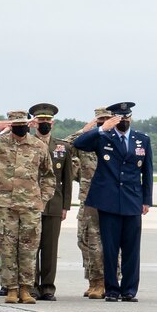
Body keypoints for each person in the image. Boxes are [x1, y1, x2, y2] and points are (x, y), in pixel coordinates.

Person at [72, 102, 153, 302]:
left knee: (132, 249)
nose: (123, 121)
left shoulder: (141, 140)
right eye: (119, 117)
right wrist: (100, 128)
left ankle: (129, 290)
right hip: (107, 201)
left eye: (126, 117)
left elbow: (147, 172)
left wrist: (147, 200)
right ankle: (112, 289)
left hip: (132, 200)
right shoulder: (103, 137)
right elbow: (78, 143)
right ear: (112, 119)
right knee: (109, 248)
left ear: (131, 118)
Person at [0, 109, 57, 303]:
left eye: (22, 124)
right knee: (7, 248)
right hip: (4, 205)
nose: (20, 127)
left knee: (29, 248)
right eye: (15, 124)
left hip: (30, 206)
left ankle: (26, 289)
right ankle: (11, 288)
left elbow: (49, 176)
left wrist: (42, 199)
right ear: (10, 125)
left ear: (28, 124)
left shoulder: (38, 146)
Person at [28, 104, 75, 301]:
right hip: (29, 203)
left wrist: (65, 206)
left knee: (50, 247)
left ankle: (47, 287)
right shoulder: (27, 143)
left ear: (52, 123)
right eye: (40, 121)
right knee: (30, 247)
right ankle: (30, 286)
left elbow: (67, 178)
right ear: (34, 123)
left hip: (54, 204)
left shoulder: (62, 147)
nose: (44, 124)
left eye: (47, 121)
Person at [70, 109, 110, 298]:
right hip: (87, 200)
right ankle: (92, 280)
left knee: (104, 244)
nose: (103, 123)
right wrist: (84, 131)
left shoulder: (115, 142)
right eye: (99, 120)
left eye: (106, 120)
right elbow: (61, 147)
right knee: (84, 241)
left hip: (109, 200)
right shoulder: (87, 142)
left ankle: (105, 282)